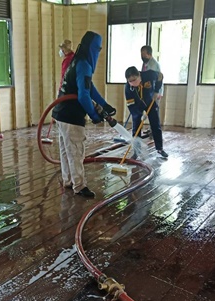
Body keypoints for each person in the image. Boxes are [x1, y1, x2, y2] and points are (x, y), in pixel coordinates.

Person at [52, 31, 116, 198]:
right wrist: (94, 115)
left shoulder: (77, 61)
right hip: (71, 115)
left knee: (66, 150)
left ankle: (68, 181)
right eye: (98, 48)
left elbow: (89, 87)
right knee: (75, 151)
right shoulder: (84, 64)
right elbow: (83, 96)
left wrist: (104, 105)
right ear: (92, 48)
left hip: (61, 112)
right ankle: (79, 186)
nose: (98, 52)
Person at [125, 66, 168, 158]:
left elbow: (160, 76)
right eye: (130, 81)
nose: (132, 83)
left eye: (134, 80)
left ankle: (160, 148)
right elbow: (131, 105)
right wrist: (138, 114)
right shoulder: (128, 88)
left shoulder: (150, 75)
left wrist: (157, 90)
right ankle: (136, 151)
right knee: (136, 127)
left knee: (155, 125)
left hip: (151, 102)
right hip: (137, 105)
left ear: (139, 75)